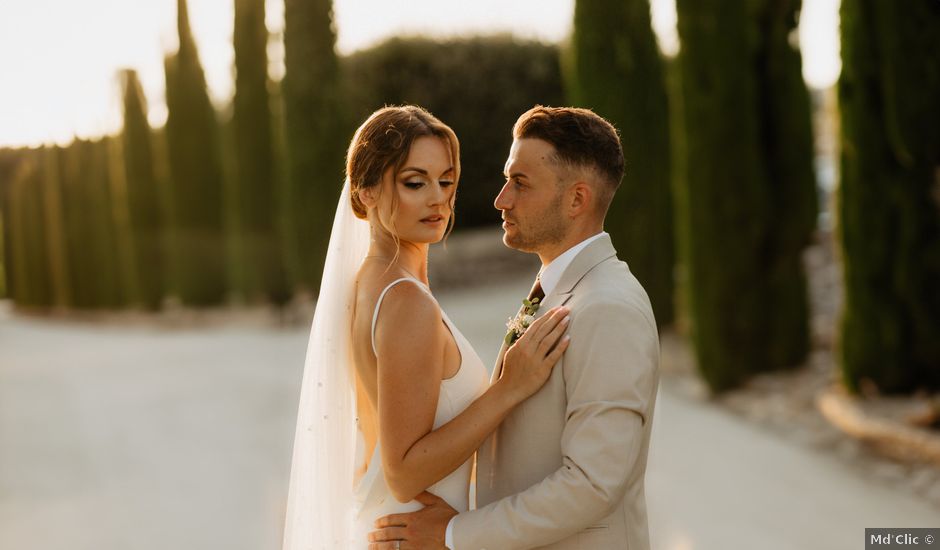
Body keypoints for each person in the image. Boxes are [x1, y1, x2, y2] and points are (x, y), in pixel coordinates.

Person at [368, 106, 661, 549]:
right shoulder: (557, 290)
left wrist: (453, 535)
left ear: (577, 199)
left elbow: (592, 485)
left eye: (520, 184)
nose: (500, 199)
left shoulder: (608, 308)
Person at [281, 105, 571, 549]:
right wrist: (510, 387)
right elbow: (402, 472)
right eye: (415, 182)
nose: (437, 198)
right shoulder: (405, 300)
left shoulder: (369, 283)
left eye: (446, 180)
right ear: (365, 194)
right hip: (414, 535)